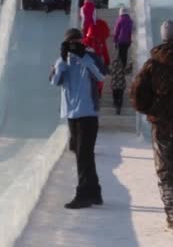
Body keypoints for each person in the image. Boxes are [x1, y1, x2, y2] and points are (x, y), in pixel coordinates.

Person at [50, 28, 105, 209]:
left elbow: (101, 75)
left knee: (83, 155)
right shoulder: (62, 61)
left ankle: (84, 194)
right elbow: (54, 81)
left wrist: (83, 57)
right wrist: (62, 60)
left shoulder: (90, 57)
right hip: (72, 115)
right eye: (70, 42)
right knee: (82, 154)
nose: (74, 45)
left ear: (83, 41)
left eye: (77, 41)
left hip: (88, 114)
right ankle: (95, 193)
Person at [130, 20, 173, 233]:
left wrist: (153, 111)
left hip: (163, 126)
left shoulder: (153, 63)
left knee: (166, 171)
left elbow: (137, 95)